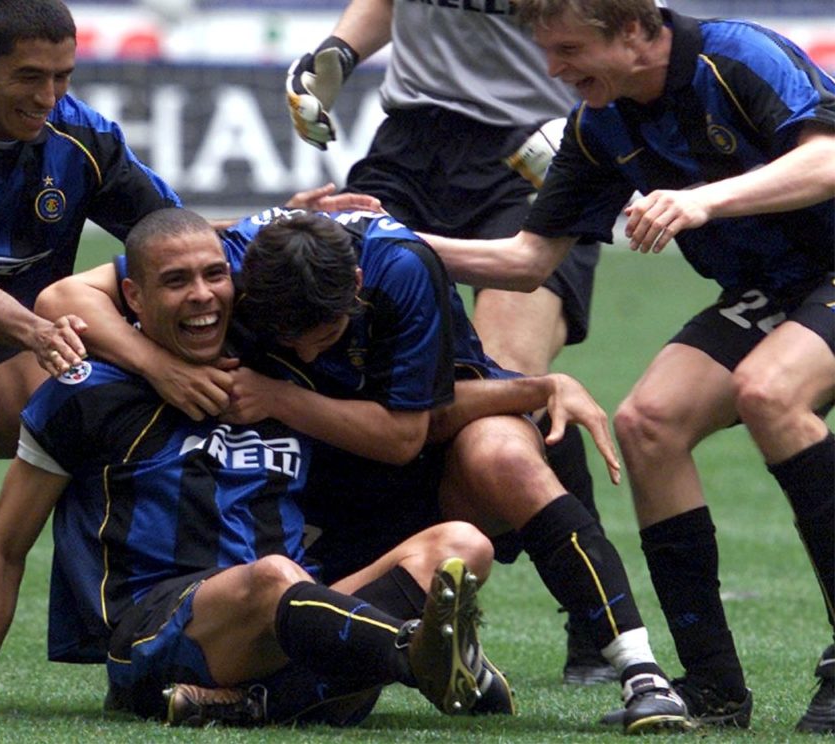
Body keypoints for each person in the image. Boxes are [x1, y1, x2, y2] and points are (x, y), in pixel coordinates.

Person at [40, 207, 693, 734]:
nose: (297, 350)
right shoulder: (233, 259)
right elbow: (64, 294)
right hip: (313, 495)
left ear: (353, 291)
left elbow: (411, 432)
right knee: (283, 589)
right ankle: (397, 662)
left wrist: (282, 398)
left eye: (317, 335)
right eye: (281, 335)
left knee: (496, 472)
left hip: (408, 459)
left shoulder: (404, 270)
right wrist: (164, 368)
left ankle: (642, 675)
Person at [0, 0, 376, 554]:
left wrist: (275, 221)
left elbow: (171, 233)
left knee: (89, 405)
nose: (47, 98)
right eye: (30, 77)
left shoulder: (82, 137)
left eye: (62, 77)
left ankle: (146, 600)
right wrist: (39, 333)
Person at [425, 0, 834, 733]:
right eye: (548, 52)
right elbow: (525, 262)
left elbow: (829, 157)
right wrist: (388, 237)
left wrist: (702, 202)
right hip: (778, 288)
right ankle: (712, 688)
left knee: (771, 392)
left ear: (640, 31)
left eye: (569, 49)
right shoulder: (599, 125)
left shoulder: (737, 57)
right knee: (648, 424)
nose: (553, 69)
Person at [0, 207, 497, 726]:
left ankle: (259, 702)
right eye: (176, 282)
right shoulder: (87, 393)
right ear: (134, 296)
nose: (203, 296)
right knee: (272, 577)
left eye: (214, 275)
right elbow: (3, 545)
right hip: (160, 632)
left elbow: (419, 418)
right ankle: (407, 654)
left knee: (462, 545)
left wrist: (541, 388)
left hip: (295, 617)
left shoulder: (279, 379)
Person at [283, 0, 639, 684]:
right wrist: (337, 57)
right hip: (409, 145)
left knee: (506, 388)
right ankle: (373, 568)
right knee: (333, 345)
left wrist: (593, 129)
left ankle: (596, 628)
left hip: (536, 150)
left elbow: (632, 36)